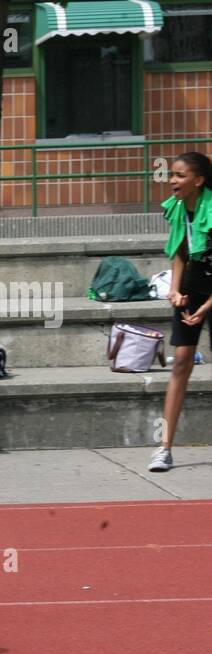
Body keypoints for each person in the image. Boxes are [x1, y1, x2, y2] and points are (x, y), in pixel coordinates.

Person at [150, 151, 212, 473]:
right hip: (192, 285)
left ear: (198, 180)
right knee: (181, 363)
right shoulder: (177, 208)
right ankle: (164, 448)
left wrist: (206, 307)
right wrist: (175, 290)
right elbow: (179, 254)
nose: (172, 180)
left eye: (179, 175)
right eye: (171, 174)